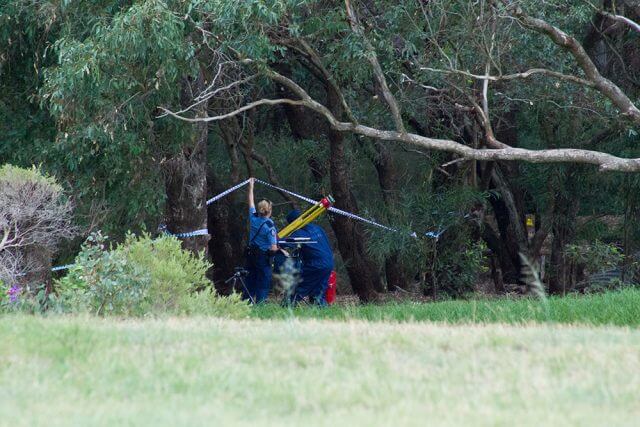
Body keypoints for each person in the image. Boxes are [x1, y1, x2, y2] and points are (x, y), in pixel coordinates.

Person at [285, 209, 334, 305]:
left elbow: (286, 243)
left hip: (315, 265)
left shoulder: (298, 233)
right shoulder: (317, 228)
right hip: (328, 263)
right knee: (319, 294)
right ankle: (322, 314)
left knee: (297, 288)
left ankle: (286, 307)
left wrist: (276, 240)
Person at [245, 178, 279, 303]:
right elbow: (273, 247)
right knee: (263, 281)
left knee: (250, 279)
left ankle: (246, 302)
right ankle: (260, 304)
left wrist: (251, 186)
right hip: (262, 257)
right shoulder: (270, 227)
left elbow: (251, 202)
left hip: (251, 255)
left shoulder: (253, 218)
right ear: (269, 211)